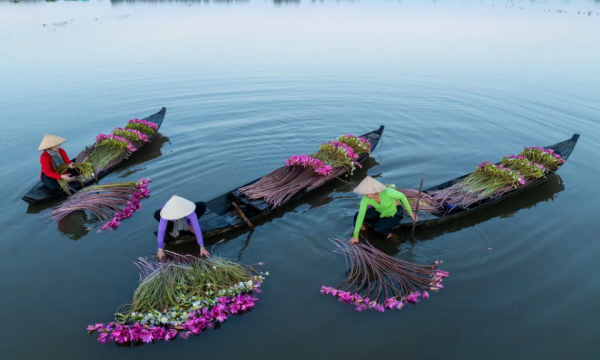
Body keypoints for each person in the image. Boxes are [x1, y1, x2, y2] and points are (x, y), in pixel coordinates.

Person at [350, 176, 417, 244]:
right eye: (366, 193)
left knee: (379, 230)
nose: (369, 196)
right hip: (380, 210)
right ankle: (365, 230)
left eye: (371, 193)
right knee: (357, 215)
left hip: (394, 212)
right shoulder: (365, 199)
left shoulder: (388, 192)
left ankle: (390, 235)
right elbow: (361, 215)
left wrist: (410, 212)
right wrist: (355, 236)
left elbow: (402, 196)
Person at [154, 195, 210, 260]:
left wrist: (202, 247)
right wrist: (160, 249)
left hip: (185, 216)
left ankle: (188, 224)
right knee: (157, 214)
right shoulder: (166, 212)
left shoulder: (189, 211)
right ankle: (171, 229)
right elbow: (161, 231)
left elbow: (197, 228)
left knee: (202, 205)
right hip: (172, 221)